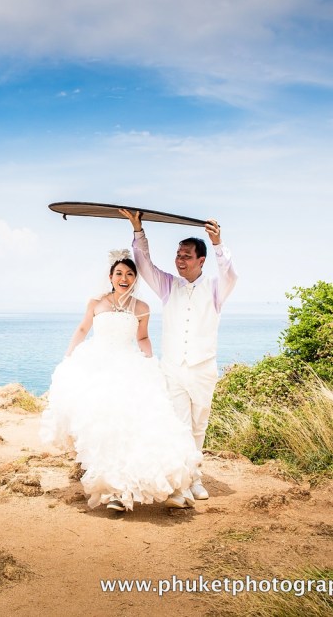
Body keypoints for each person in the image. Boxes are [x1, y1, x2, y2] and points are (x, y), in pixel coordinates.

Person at [39, 251, 202, 512]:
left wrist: (150, 362)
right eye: (119, 273)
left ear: (135, 278)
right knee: (104, 428)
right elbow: (83, 329)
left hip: (129, 366)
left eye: (129, 274)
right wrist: (68, 356)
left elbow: (142, 338)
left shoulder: (142, 308)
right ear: (110, 277)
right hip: (97, 366)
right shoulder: (96, 303)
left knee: (137, 424)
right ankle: (114, 491)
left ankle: (147, 485)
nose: (124, 278)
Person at [119, 209, 238, 501]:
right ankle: (182, 484)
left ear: (201, 260)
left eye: (186, 256)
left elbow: (230, 274)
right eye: (178, 255)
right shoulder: (168, 285)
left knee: (199, 427)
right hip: (173, 368)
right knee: (180, 427)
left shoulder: (215, 287)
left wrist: (218, 243)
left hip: (203, 369)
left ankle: (194, 476)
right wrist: (138, 230)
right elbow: (144, 265)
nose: (180, 260)